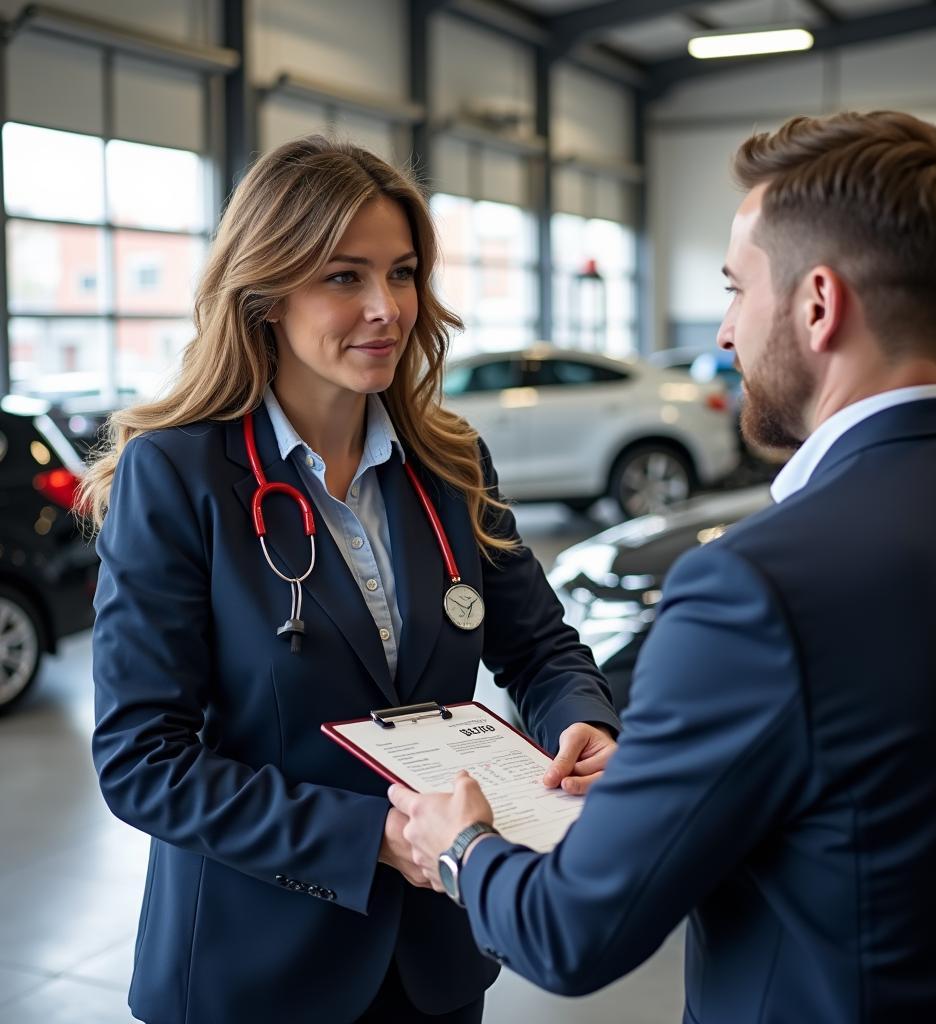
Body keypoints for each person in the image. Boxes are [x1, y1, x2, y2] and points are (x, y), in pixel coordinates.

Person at [391, 110, 936, 1022]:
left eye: (735, 290)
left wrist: (462, 848)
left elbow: (572, 931)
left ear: (817, 304)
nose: (725, 332)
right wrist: (670, 768)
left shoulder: (757, 586)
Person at [83, 135, 621, 1024]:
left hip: (435, 960)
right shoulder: (177, 477)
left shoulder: (448, 463)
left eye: (403, 273)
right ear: (266, 293)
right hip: (257, 972)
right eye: (344, 277)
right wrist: (372, 836)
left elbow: (540, 648)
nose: (387, 308)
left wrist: (583, 724)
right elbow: (143, 761)